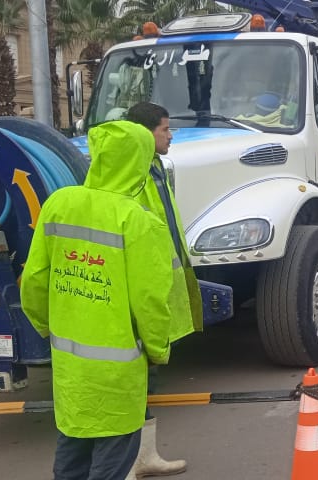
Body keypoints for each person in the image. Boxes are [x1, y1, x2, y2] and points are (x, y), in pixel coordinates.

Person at [21, 121, 175, 480]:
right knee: (112, 461)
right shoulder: (137, 220)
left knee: (72, 450)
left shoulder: (60, 204)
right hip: (118, 374)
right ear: (139, 161)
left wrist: (46, 326)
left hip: (70, 369)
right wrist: (158, 348)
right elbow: (149, 300)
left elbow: (34, 280)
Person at [125, 101, 203, 479]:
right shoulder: (132, 174)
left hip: (158, 286)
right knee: (134, 382)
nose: (171, 136)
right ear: (144, 134)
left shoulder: (156, 166)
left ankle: (144, 457)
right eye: (165, 129)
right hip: (140, 291)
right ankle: (127, 463)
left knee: (147, 380)